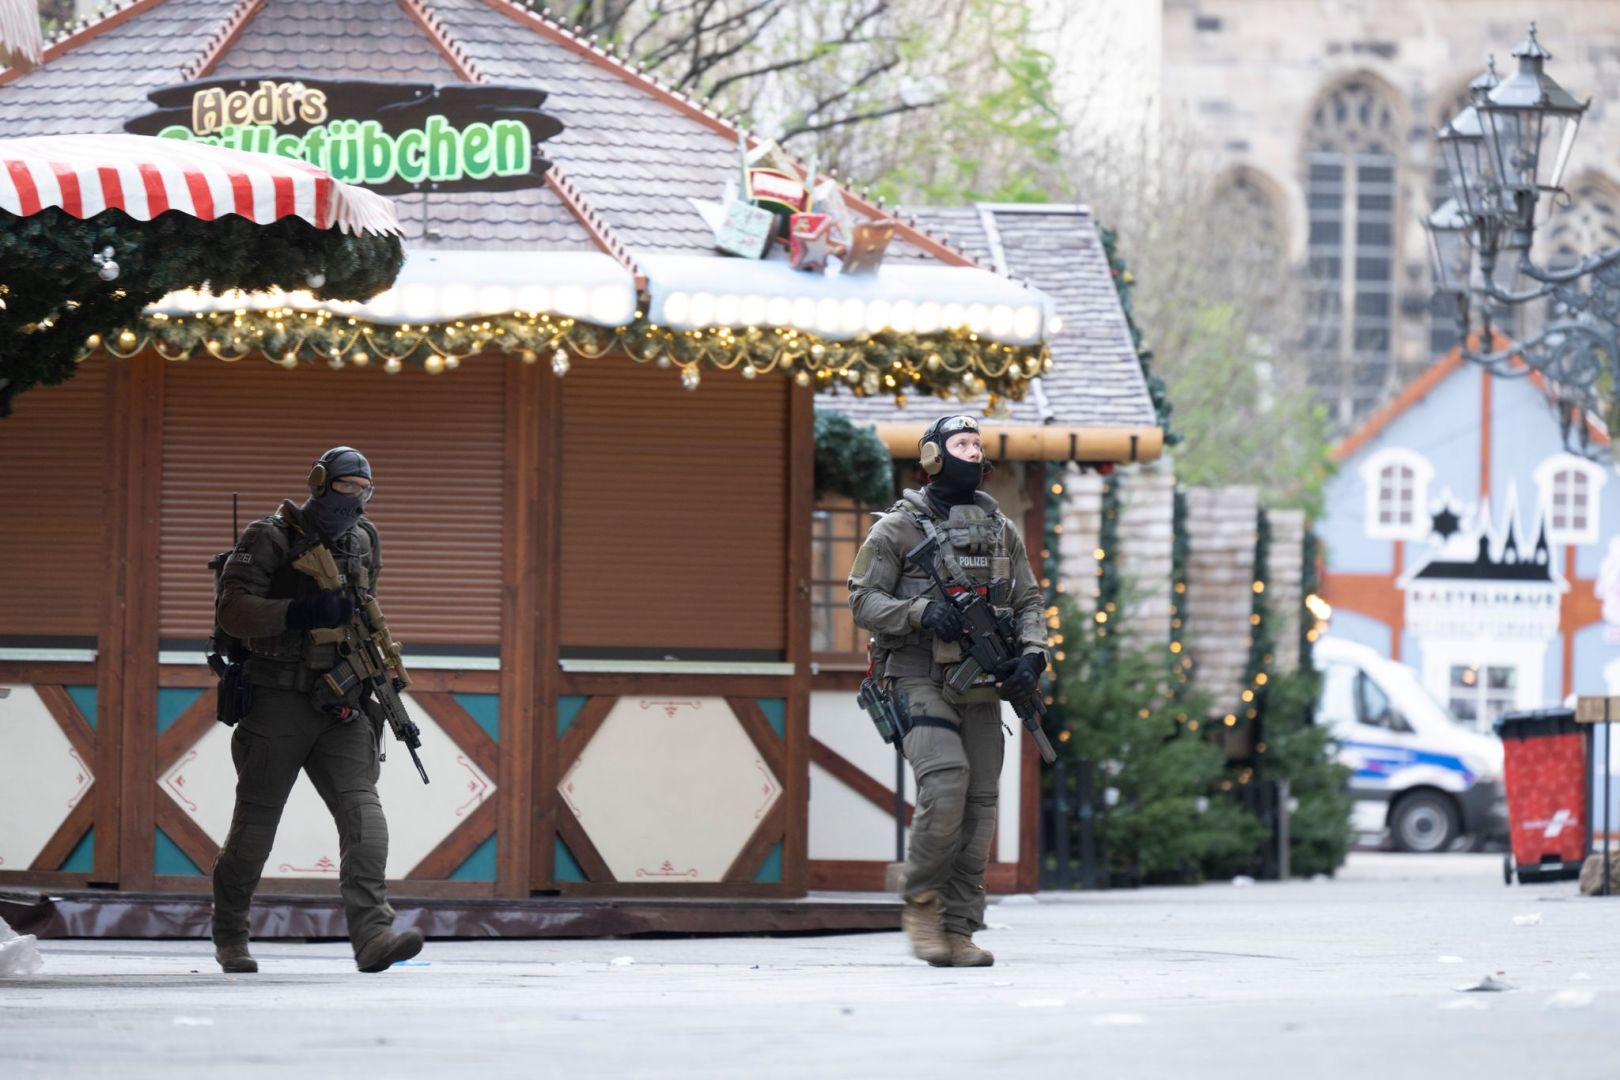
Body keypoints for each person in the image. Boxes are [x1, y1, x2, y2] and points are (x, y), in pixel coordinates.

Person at [211, 446, 423, 974]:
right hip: (277, 697)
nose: (352, 498)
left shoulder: (364, 541)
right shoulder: (270, 537)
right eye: (344, 486)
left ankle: (374, 935)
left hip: (342, 701)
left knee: (364, 815)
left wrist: (382, 666)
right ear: (320, 482)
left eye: (362, 489)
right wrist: (301, 611)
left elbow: (363, 609)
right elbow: (233, 612)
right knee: (255, 828)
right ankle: (231, 935)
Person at [847, 414, 1047, 968]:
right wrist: (918, 612)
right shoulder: (896, 529)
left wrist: (1032, 655)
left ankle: (959, 928)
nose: (973, 452)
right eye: (960, 443)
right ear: (933, 456)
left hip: (982, 683)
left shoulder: (1001, 530)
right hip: (915, 677)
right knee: (947, 784)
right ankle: (921, 899)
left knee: (981, 806)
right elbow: (861, 601)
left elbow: (1029, 601)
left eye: (977, 445)